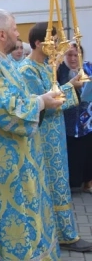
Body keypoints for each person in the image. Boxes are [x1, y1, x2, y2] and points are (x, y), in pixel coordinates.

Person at [0, 9, 64, 260]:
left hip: (15, 159)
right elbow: (4, 110)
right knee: (10, 223)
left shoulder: (1, 61)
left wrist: (38, 99)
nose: (18, 35)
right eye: (14, 30)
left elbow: (15, 98)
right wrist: (41, 102)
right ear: (1, 34)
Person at [19, 23, 92, 252]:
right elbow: (42, 105)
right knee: (50, 185)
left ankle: (65, 234)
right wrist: (71, 87)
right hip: (42, 137)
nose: (60, 48)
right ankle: (56, 235)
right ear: (40, 44)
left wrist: (70, 87)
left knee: (59, 184)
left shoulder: (45, 67)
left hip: (56, 134)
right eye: (56, 42)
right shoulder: (26, 71)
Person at [58, 43, 92, 191]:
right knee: (71, 154)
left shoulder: (88, 69)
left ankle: (88, 182)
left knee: (87, 152)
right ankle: (70, 184)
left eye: (76, 55)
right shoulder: (58, 72)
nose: (73, 59)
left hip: (87, 121)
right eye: (69, 55)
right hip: (66, 122)